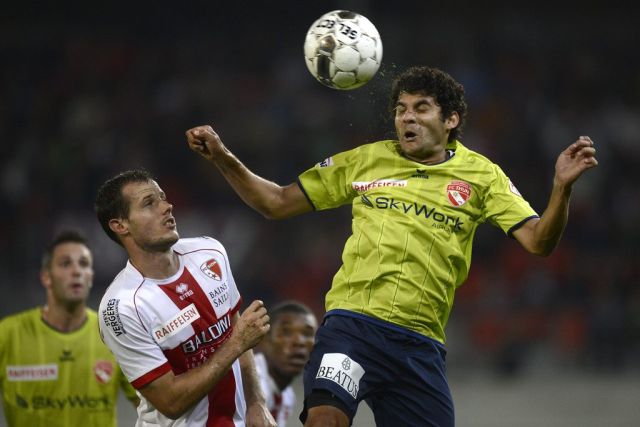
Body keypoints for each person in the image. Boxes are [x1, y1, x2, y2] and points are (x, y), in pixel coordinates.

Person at [184, 65, 598, 427]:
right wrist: (222, 157)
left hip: (420, 347)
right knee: (326, 418)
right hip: (353, 329)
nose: (406, 118)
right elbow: (275, 202)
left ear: (450, 118)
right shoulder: (367, 160)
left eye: (420, 108)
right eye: (400, 109)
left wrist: (561, 188)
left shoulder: (482, 176)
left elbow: (539, 241)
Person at [94, 169, 276, 427]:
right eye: (149, 203)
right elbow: (170, 402)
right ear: (120, 225)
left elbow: (238, 330)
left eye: (163, 198)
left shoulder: (209, 252)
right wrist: (236, 343)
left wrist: (257, 403)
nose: (167, 207)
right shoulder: (122, 307)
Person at [0, 230, 139, 427]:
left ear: (91, 276)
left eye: (83, 264)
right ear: (46, 277)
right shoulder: (8, 334)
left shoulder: (112, 334)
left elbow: (149, 407)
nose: (76, 271)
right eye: (66, 264)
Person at [254, 301, 318, 426]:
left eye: (307, 334)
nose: (299, 342)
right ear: (264, 340)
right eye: (287, 332)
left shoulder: (287, 396)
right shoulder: (246, 383)